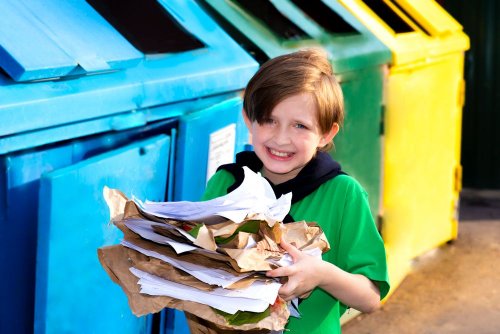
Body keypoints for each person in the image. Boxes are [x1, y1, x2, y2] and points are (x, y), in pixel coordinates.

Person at [201, 49, 389, 333]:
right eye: (269, 120)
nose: (281, 137)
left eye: (300, 125)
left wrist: (322, 274)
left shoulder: (343, 194)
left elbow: (370, 297)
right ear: (248, 120)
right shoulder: (225, 182)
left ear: (326, 134)